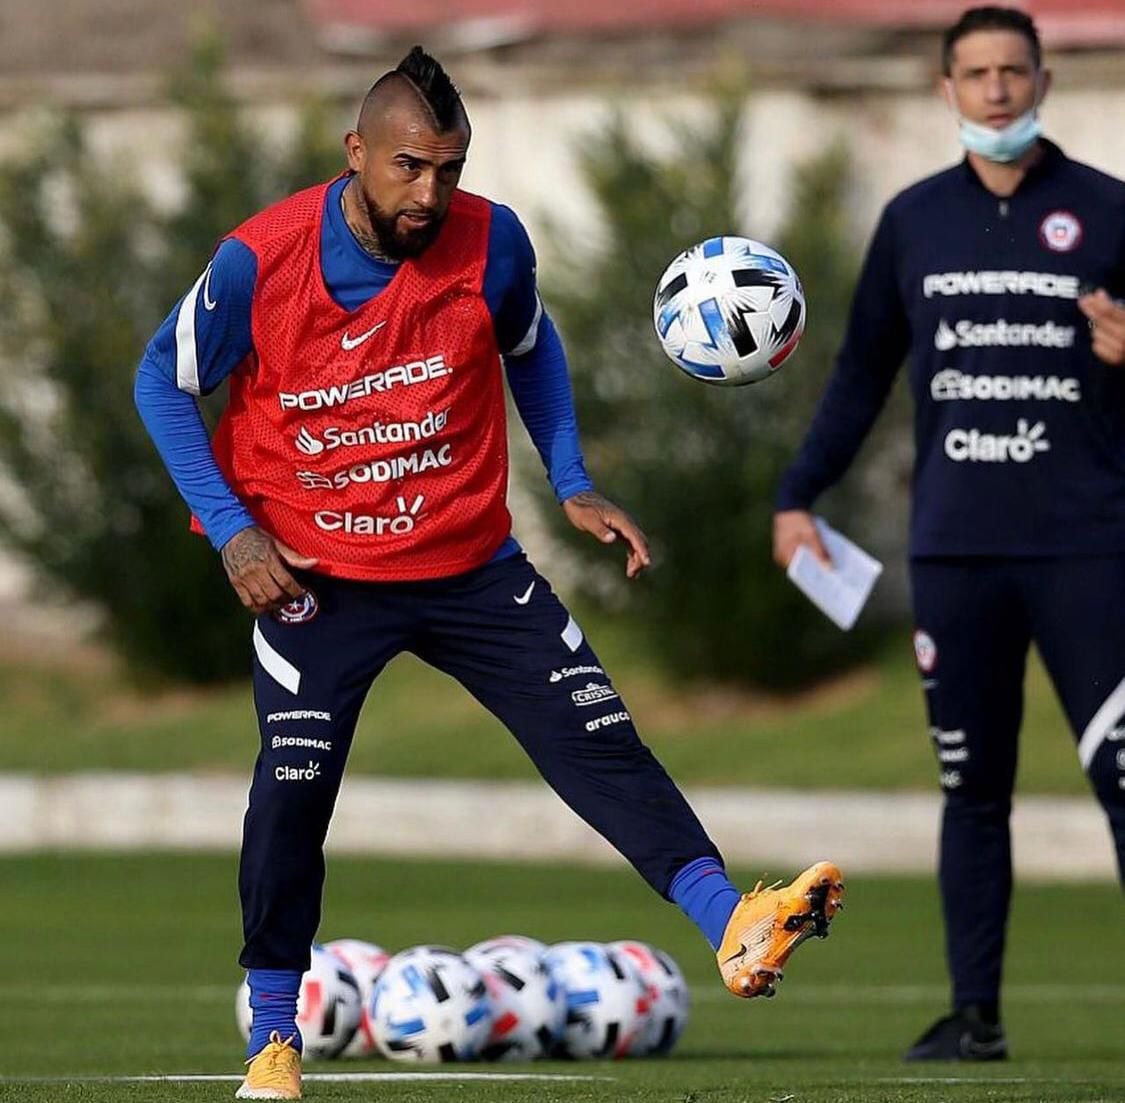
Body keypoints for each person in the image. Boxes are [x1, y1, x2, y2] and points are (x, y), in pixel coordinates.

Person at [135, 47, 844, 1099]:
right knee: (292, 797)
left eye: (450, 169)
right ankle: (274, 1041)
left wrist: (571, 478)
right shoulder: (261, 258)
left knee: (599, 742)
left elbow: (530, 343)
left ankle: (735, 923)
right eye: (410, 167)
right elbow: (163, 377)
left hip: (470, 565)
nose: (432, 193)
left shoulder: (491, 239)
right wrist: (234, 531)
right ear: (357, 154)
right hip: (313, 577)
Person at [773, 5, 1125, 1063]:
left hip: (1087, 550)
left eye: (1014, 71)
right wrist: (797, 492)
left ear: (1045, 82)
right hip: (956, 551)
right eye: (976, 74)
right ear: (948, 91)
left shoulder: (1110, 213)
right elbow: (858, 375)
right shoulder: (914, 219)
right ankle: (975, 1014)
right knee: (974, 790)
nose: (998, 91)